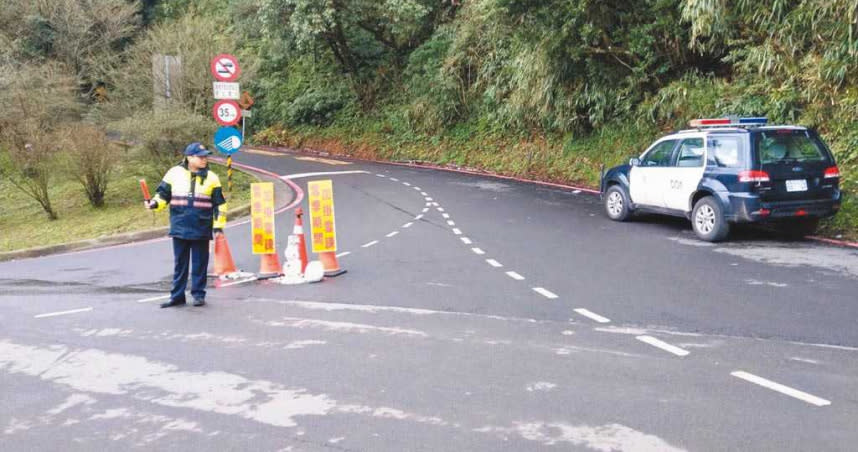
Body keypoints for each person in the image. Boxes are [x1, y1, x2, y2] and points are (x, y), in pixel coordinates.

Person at [146, 142, 227, 308]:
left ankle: (198, 294)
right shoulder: (174, 173)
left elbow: (220, 205)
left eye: (205, 156)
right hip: (179, 226)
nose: (205, 159)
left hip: (201, 227)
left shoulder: (212, 177)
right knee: (180, 264)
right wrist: (154, 203)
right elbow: (163, 195)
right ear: (189, 157)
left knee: (200, 264)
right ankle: (177, 296)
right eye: (201, 156)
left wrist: (218, 227)